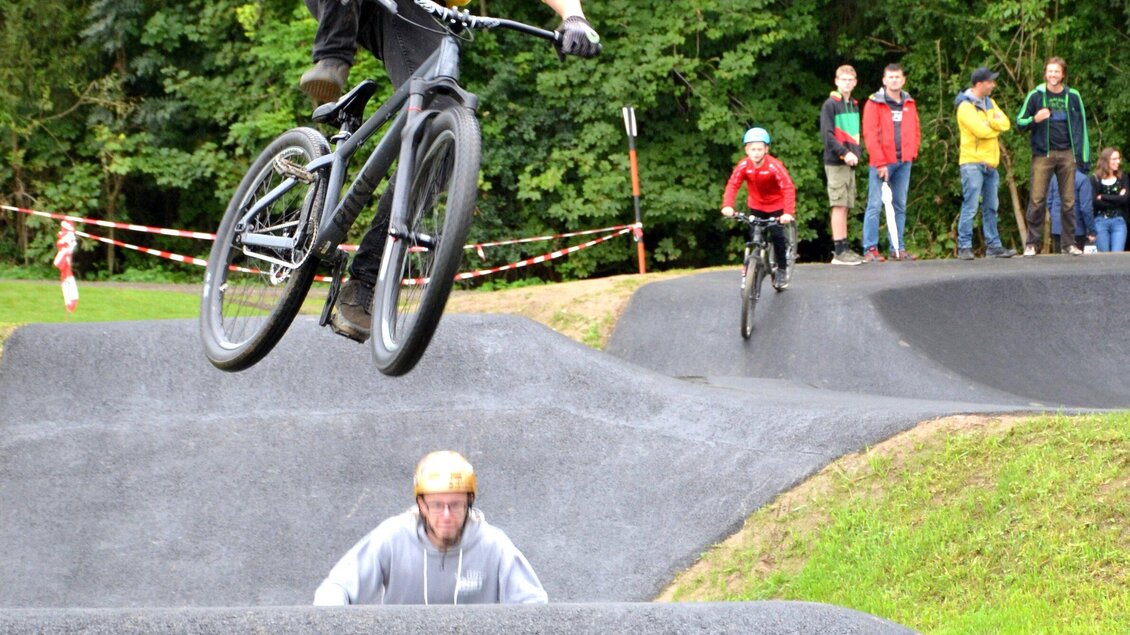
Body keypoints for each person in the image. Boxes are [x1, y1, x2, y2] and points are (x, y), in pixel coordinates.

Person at [300, 0, 601, 342]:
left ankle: (366, 280)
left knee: (443, 132)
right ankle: (331, 60)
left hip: (417, 10)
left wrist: (573, 17)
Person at [313, 451, 548, 605]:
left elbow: (533, 605)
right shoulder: (392, 538)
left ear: (469, 503)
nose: (446, 515)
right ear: (421, 505)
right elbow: (336, 588)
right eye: (437, 505)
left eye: (456, 505)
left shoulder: (494, 545)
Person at [1015, 56, 1090, 256]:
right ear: (1045, 73)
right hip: (1043, 154)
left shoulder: (1073, 96)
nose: (1053, 75)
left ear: (1063, 74)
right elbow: (1019, 123)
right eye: (1050, 71)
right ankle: (1032, 244)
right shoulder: (1036, 95)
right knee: (1038, 199)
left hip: (1067, 153)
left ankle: (1069, 244)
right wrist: (1035, 119)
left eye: (1057, 71)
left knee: (1068, 201)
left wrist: (1083, 157)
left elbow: (1082, 126)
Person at [721, 127, 797, 289]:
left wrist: (788, 213)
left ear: (766, 150)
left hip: (776, 205)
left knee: (777, 236)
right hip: (756, 205)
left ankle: (782, 269)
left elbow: (788, 188)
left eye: (759, 149)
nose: (756, 153)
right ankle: (752, 268)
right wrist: (728, 205)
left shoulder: (774, 166)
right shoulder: (743, 166)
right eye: (752, 149)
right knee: (754, 237)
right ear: (746, 150)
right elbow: (733, 185)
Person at [954, 67, 1016, 260]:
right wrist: (992, 124)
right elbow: (980, 131)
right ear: (979, 84)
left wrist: (990, 124)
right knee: (971, 205)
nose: (993, 85)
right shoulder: (965, 106)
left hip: (991, 163)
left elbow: (1005, 123)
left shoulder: (990, 102)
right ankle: (964, 246)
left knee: (991, 206)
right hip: (972, 162)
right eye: (990, 82)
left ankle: (994, 246)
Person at [861, 63, 921, 262]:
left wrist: (912, 152)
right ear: (884, 80)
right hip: (882, 162)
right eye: (891, 77)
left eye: (898, 77)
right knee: (875, 204)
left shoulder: (909, 102)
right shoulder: (874, 103)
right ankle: (870, 248)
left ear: (903, 79)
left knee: (900, 205)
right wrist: (879, 163)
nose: (894, 80)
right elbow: (870, 135)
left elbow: (915, 128)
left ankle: (897, 248)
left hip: (904, 161)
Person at [820, 65, 864, 265]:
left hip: (850, 161)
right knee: (838, 204)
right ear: (836, 81)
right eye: (843, 79)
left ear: (855, 83)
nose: (847, 83)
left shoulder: (854, 104)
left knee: (846, 205)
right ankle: (839, 251)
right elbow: (828, 136)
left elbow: (854, 135)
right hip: (836, 161)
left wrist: (856, 153)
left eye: (850, 80)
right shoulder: (831, 104)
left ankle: (845, 247)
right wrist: (844, 154)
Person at [1088, 147, 1129, 252]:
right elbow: (1095, 202)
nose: (1118, 161)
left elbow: (1125, 200)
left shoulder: (1123, 178)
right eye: (1114, 159)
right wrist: (1117, 199)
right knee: (1104, 257)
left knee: (1117, 255)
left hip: (1119, 221)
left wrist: (1103, 196)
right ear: (1106, 160)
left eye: (1118, 158)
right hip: (1100, 221)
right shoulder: (1095, 179)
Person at [1047, 167, 1095, 252]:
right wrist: (1091, 230)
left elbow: (1049, 202)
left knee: (1058, 260)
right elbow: (1086, 208)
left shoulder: (1054, 178)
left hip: (1058, 227)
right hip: (1077, 228)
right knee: (1075, 262)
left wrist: (1055, 218)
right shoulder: (1083, 179)